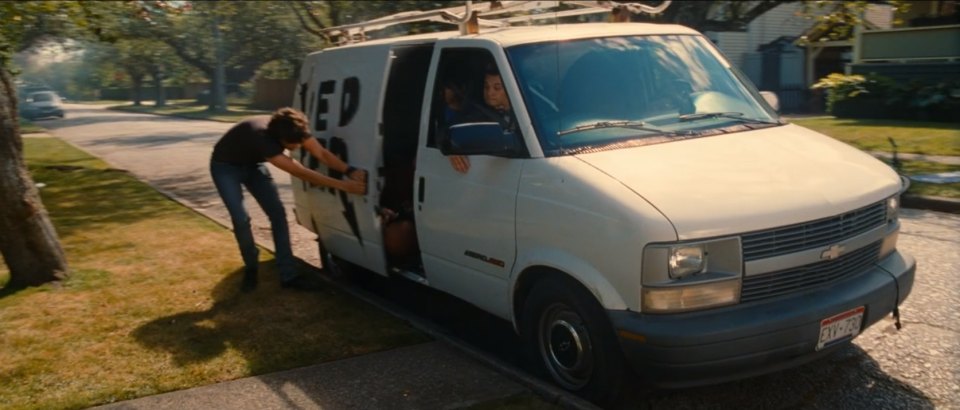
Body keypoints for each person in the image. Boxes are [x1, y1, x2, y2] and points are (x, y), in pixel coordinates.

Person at [210, 107, 367, 292]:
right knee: (241, 219)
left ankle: (288, 275)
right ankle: (251, 266)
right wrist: (343, 186)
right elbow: (299, 172)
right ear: (279, 140)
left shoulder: (294, 128)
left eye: (300, 143)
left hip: (253, 165)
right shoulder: (262, 138)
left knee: (278, 215)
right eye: (292, 145)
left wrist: (349, 171)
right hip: (225, 167)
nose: (298, 147)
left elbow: (322, 153)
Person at [448, 64, 519, 174]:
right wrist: (451, 150)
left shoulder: (528, 111)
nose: (490, 93)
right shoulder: (476, 114)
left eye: (497, 88)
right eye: (486, 87)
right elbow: (448, 133)